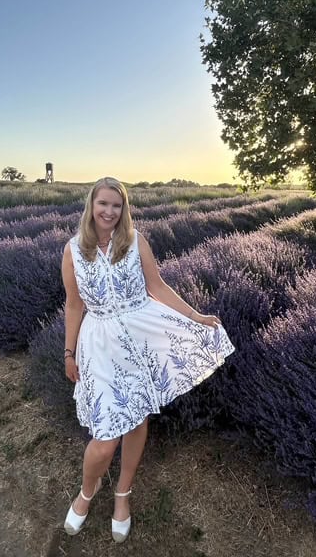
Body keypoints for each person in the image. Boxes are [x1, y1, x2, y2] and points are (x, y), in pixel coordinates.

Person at [61, 176, 235, 542]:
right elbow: (74, 304)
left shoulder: (136, 241)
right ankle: (86, 493)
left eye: (117, 205)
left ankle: (122, 494)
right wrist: (69, 351)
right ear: (91, 206)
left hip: (142, 338)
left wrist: (195, 317)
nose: (109, 211)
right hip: (99, 344)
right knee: (105, 438)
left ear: (124, 209)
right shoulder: (74, 249)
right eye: (103, 203)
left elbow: (157, 287)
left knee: (137, 417)